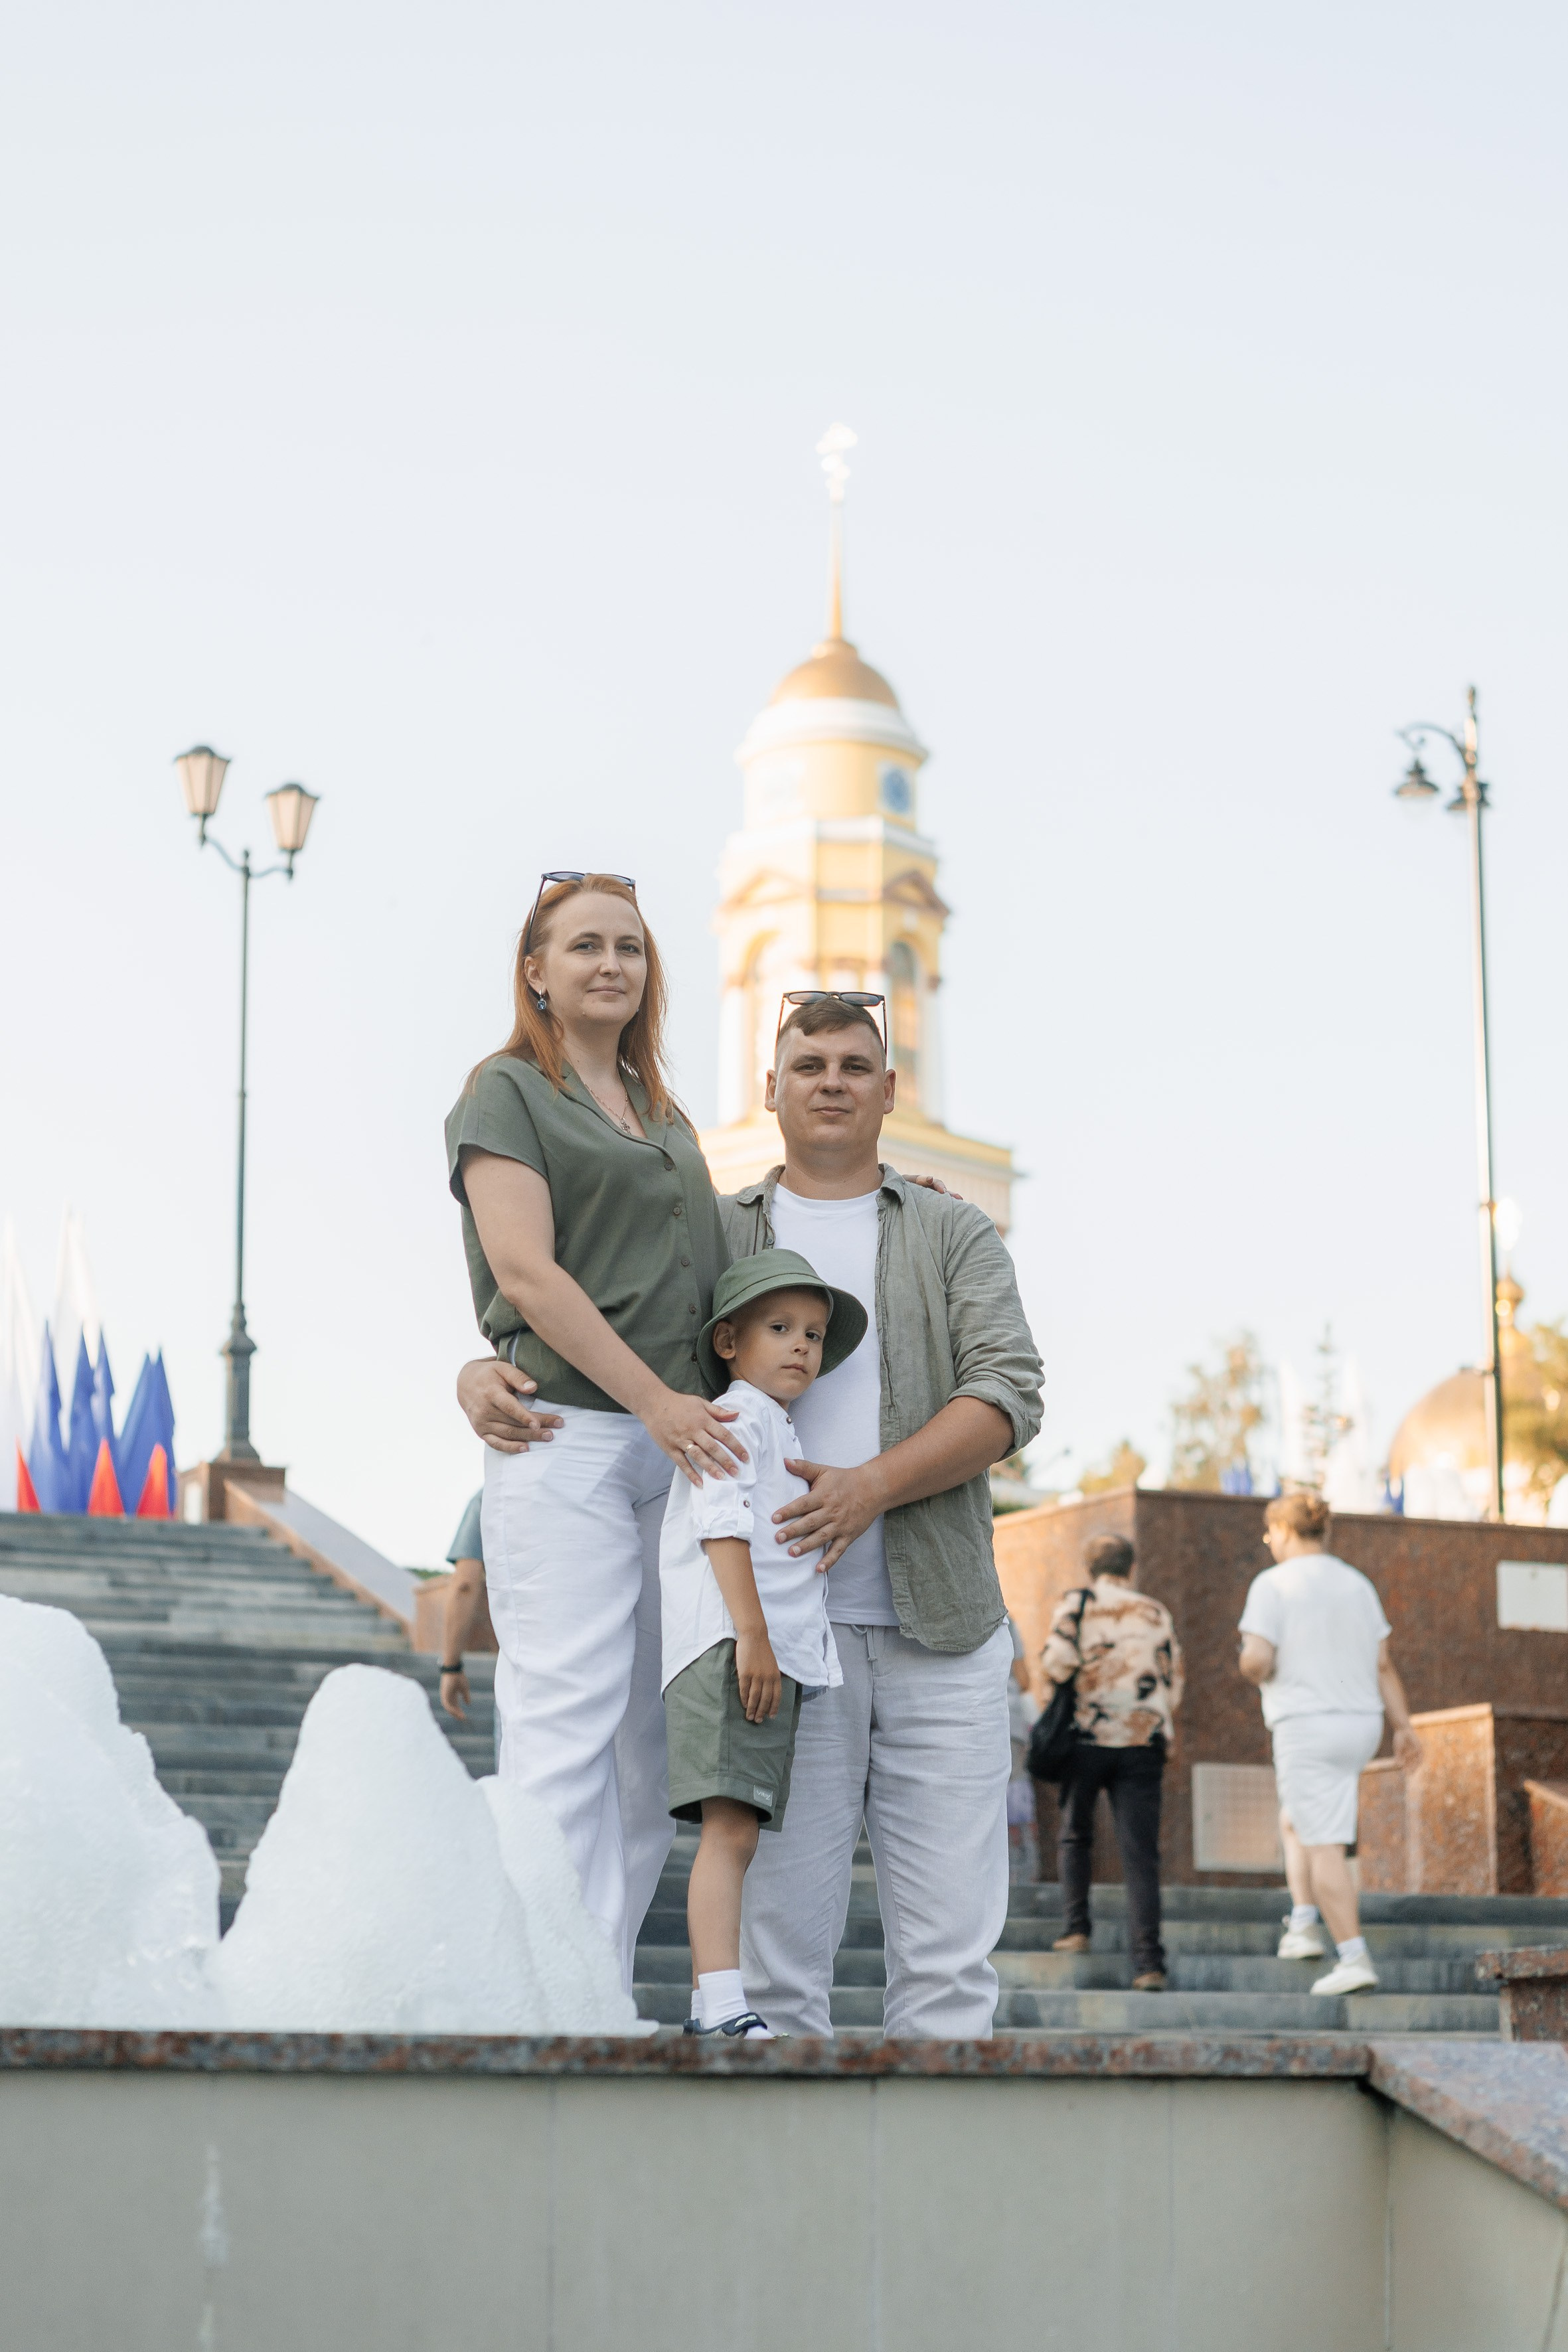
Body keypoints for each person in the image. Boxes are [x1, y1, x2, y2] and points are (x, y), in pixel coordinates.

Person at [459, 989, 1044, 2037]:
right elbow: (600, 1335)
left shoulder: (950, 1228)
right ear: (769, 1089)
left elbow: (1009, 1392)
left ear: (887, 1089)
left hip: (939, 1626)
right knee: (778, 1971)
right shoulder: (712, 1232)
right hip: (773, 1643)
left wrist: (870, 1485)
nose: (830, 1080)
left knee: (951, 1966)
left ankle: (941, 2194)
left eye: (853, 1064)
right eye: (808, 1063)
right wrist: (478, 1368)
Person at [444, 872, 744, 1992]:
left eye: (628, 945)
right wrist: (656, 1401)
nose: (610, 962)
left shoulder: (666, 1117)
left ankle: (597, 1993)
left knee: (644, 1752)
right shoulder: (507, 1091)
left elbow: (710, 1264)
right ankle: (536, 1998)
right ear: (538, 970)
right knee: (563, 1725)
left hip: (674, 1459)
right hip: (564, 1435)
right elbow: (526, 1270)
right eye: (583, 946)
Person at [661, 1249, 868, 2040]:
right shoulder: (738, 1416)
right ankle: (718, 2006)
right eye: (779, 1328)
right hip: (733, 1645)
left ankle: (710, 2004)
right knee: (730, 1830)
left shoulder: (776, 1425)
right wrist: (752, 1635)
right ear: (728, 1344)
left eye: (813, 1335)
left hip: (760, 1648)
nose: (800, 1348)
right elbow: (721, 1522)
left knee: (736, 1829)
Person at [1238, 1490, 1422, 1998]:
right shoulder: (1357, 1583)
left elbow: (1257, 1658)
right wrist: (1404, 1726)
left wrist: (1251, 1663)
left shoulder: (1272, 1584)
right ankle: (1301, 1922)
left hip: (1307, 1723)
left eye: (1270, 1531)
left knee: (1325, 1845)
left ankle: (1353, 1955)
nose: (1268, 1540)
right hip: (1360, 1723)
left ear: (1288, 1530)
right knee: (1298, 1817)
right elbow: (1383, 1663)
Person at [1041, 1533, 1183, 1991]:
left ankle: (1076, 1928)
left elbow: (1057, 1663)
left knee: (1076, 1834)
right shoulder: (1156, 1611)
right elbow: (1172, 1679)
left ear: (1091, 1565)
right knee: (1141, 1854)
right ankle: (1148, 1963)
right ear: (1130, 1566)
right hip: (1143, 1740)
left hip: (1087, 1735)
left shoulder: (1077, 1603)